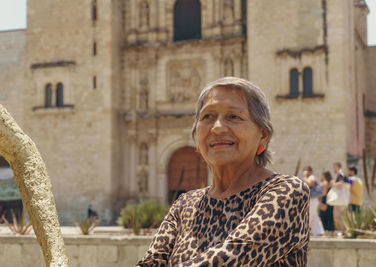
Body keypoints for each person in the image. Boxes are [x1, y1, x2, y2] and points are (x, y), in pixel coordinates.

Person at [136, 77, 310, 266]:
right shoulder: (184, 205)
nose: (217, 128)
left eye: (234, 117)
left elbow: (230, 259)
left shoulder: (286, 192)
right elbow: (151, 262)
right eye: (207, 117)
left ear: (263, 135)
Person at [303, 166, 324, 236]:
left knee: (310, 214)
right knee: (314, 216)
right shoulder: (308, 177)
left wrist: (304, 178)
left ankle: (305, 230)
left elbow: (310, 183)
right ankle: (319, 232)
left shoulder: (311, 177)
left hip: (313, 199)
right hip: (310, 199)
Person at [332, 162, 350, 230]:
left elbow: (341, 184)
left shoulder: (340, 174)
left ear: (337, 166)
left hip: (340, 199)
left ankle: (344, 230)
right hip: (343, 199)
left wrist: (333, 184)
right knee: (342, 217)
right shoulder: (343, 174)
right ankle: (344, 230)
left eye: (334, 166)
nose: (333, 168)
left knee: (336, 217)